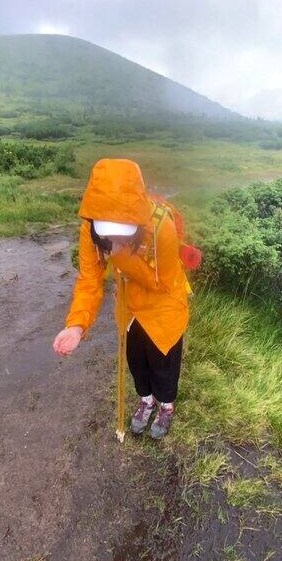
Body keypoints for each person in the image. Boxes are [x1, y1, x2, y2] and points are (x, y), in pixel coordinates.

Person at [53, 158, 189, 439]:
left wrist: (121, 255)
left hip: (164, 305)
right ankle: (146, 402)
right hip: (129, 308)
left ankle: (166, 406)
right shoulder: (91, 228)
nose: (114, 235)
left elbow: (161, 282)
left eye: (123, 228)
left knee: (163, 363)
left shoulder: (161, 225)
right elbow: (90, 279)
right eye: (109, 229)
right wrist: (77, 325)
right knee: (136, 361)